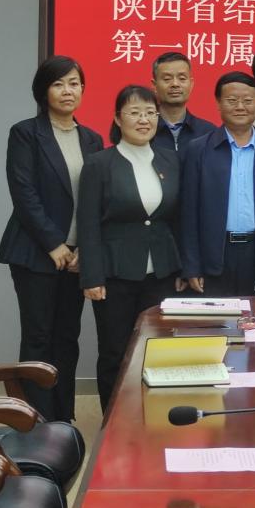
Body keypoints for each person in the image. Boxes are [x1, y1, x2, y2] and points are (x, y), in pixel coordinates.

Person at [0, 55, 103, 421]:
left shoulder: (92, 139)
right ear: (43, 91)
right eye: (59, 84)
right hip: (35, 252)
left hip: (76, 257)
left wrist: (84, 247)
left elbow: (95, 199)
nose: (68, 90)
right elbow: (24, 192)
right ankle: (34, 420)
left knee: (67, 337)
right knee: (38, 337)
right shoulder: (26, 133)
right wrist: (54, 243)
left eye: (74, 83)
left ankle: (62, 417)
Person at [78, 86, 181, 411]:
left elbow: (176, 218)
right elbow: (88, 223)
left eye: (150, 113)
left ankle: (151, 419)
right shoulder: (99, 163)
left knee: (158, 349)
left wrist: (181, 267)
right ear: (118, 118)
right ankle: (113, 421)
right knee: (115, 352)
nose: (144, 120)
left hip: (161, 274)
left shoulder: (169, 159)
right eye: (135, 113)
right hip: (114, 275)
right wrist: (91, 276)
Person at [180, 72, 255, 297]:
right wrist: (191, 266)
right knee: (219, 318)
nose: (240, 107)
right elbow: (188, 213)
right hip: (215, 256)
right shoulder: (198, 150)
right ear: (218, 103)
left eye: (247, 100)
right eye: (231, 100)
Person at [150, 51, 216, 151]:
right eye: (167, 79)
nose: (175, 84)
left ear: (191, 84)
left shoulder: (209, 132)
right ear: (154, 85)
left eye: (182, 78)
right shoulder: (144, 130)